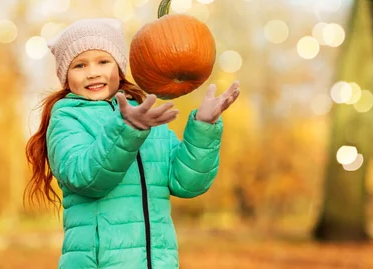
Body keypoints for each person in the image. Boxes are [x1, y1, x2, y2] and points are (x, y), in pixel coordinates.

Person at [24, 18, 240, 269]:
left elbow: (187, 184)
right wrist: (127, 130)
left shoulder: (144, 115)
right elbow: (86, 178)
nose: (93, 72)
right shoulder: (67, 118)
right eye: (80, 65)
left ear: (119, 67)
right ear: (65, 75)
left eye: (103, 61)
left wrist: (204, 127)